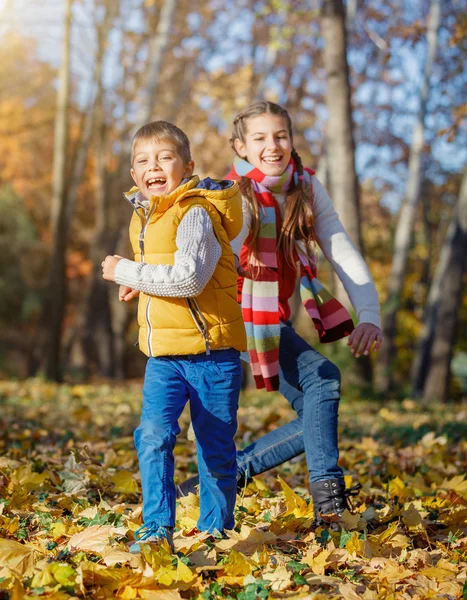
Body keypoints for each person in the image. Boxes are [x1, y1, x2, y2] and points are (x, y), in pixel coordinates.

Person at [178, 101, 383, 525]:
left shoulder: (306, 187)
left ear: (291, 141)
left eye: (280, 136)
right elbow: (221, 248)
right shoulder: (235, 193)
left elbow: (339, 246)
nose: (272, 146)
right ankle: (329, 504)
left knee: (317, 401)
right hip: (234, 313)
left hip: (272, 316)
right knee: (322, 380)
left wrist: (368, 314)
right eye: (260, 138)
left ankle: (229, 476)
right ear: (240, 146)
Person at [101, 120, 246, 551]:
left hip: (212, 354)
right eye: (143, 161)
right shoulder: (145, 216)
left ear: (187, 166)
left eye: (165, 158)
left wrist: (124, 270)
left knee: (215, 444)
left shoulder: (194, 211)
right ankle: (157, 526)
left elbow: (189, 279)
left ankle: (215, 533)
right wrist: (141, 283)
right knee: (152, 435)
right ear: (133, 175)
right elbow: (166, 272)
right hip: (164, 356)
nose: (154, 167)